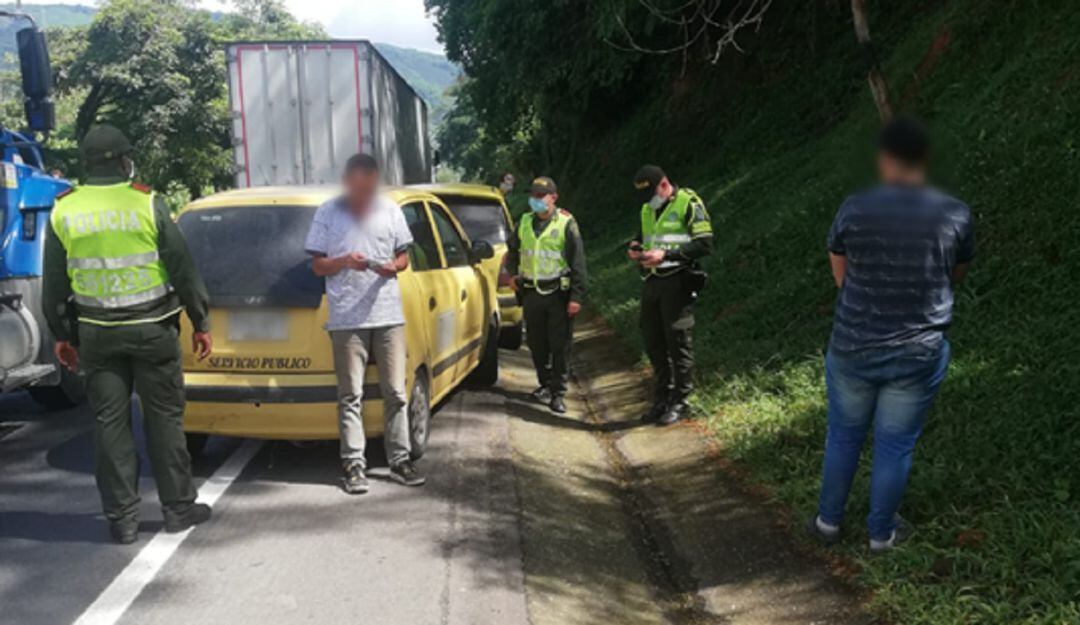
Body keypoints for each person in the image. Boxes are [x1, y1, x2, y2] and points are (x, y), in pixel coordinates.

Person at [807, 115, 974, 552]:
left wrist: (865, 299)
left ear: (884, 159)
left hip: (852, 347)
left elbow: (839, 267)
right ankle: (882, 534)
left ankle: (828, 523)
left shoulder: (855, 207)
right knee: (895, 444)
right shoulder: (955, 213)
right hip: (916, 351)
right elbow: (954, 274)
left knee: (843, 434)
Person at [42, 124, 214, 544]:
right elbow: (183, 268)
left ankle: (122, 520)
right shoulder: (147, 203)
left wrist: (62, 335)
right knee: (164, 421)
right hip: (152, 330)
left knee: (110, 426)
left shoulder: (64, 209)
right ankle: (177, 508)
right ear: (123, 160)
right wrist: (201, 321)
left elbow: (55, 284)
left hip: (97, 336)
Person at [305, 153, 424, 494]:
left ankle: (400, 460)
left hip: (389, 316)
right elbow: (317, 266)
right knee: (350, 395)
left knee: (396, 392)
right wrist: (344, 261)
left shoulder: (389, 210)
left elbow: (404, 256)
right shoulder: (328, 212)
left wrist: (393, 267)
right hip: (346, 318)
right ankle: (354, 464)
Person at [628, 165, 713, 426]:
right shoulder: (647, 208)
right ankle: (662, 396)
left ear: (664, 185)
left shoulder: (689, 202)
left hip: (678, 279)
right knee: (653, 340)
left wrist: (667, 255)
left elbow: (705, 243)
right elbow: (643, 237)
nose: (649, 202)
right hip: (653, 281)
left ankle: (681, 400)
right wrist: (635, 248)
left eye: (653, 194)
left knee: (677, 340)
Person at [506, 176, 587, 414]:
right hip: (531, 293)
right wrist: (511, 274)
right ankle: (545, 383)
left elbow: (578, 262)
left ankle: (558, 392)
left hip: (558, 295)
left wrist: (577, 297)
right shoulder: (524, 222)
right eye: (534, 196)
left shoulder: (566, 223)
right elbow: (512, 251)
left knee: (559, 345)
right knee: (536, 343)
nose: (536, 201)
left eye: (541, 196)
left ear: (553, 197)